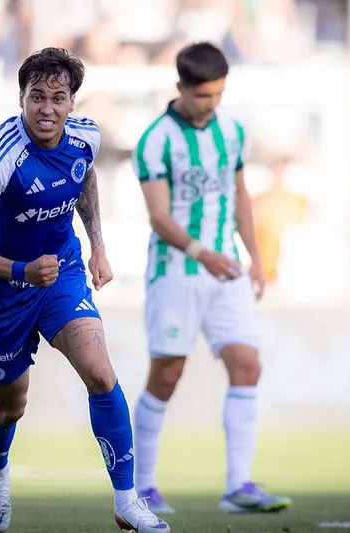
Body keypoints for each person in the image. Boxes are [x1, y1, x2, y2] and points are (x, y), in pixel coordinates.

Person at [0, 47, 170, 533]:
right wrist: (21, 270)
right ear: (21, 99)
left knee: (100, 370)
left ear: (72, 102)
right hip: (1, 291)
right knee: (11, 406)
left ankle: (127, 499)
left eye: (58, 97)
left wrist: (98, 245)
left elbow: (84, 178)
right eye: (37, 97)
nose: (47, 108)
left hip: (61, 273)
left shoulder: (86, 136)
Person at [130, 42, 292, 514]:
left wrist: (255, 258)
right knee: (167, 375)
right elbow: (159, 217)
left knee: (248, 365)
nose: (212, 104)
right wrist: (203, 253)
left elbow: (240, 196)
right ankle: (140, 487)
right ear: (181, 88)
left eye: (219, 94)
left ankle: (238, 487)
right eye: (203, 96)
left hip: (227, 271)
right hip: (176, 271)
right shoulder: (156, 139)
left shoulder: (233, 131)